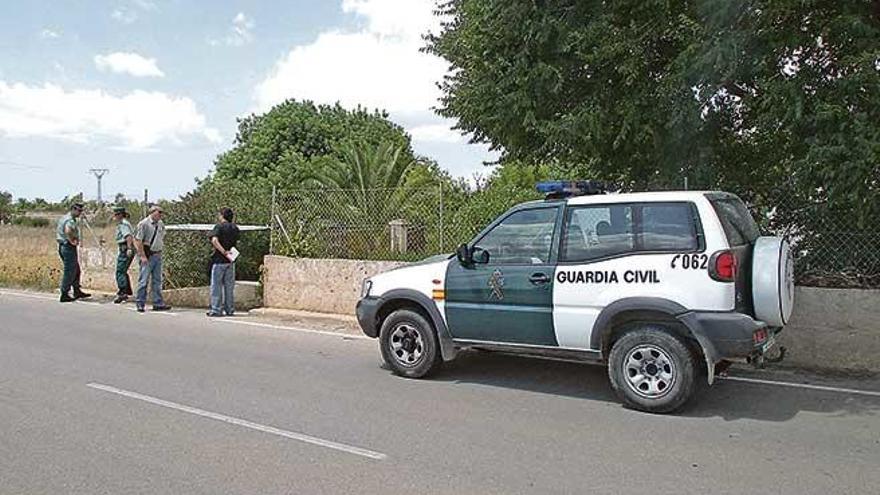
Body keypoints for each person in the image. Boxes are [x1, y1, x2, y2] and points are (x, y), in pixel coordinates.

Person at [134, 205, 172, 313]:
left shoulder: (160, 224)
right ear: (152, 212)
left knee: (157, 280)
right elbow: (138, 241)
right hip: (147, 256)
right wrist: (142, 256)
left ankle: (158, 302)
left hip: (157, 254)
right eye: (159, 212)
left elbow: (162, 236)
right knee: (143, 280)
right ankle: (140, 303)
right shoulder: (144, 224)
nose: (161, 214)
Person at [206, 207, 240, 317]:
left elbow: (214, 240)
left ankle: (216, 309)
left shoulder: (219, 227)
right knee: (229, 287)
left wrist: (223, 251)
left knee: (216, 286)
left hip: (219, 260)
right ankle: (229, 309)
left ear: (222, 215)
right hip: (231, 260)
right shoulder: (235, 228)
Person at [55, 202, 91, 302]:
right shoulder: (69, 220)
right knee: (70, 271)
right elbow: (68, 230)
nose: (80, 213)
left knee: (76, 269)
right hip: (68, 247)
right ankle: (64, 293)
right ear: (73, 209)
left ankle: (76, 290)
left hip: (64, 246)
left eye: (81, 211)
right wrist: (72, 240)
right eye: (79, 210)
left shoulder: (65, 217)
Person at [112, 206, 135, 304]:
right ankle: (127, 290)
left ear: (120, 215)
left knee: (120, 271)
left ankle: (122, 292)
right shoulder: (124, 223)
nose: (115, 217)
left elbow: (128, 236)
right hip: (124, 247)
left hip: (125, 247)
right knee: (123, 270)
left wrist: (129, 248)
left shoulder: (123, 224)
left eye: (116, 214)